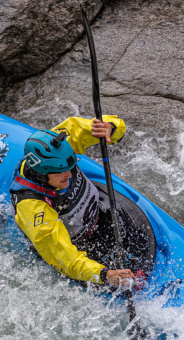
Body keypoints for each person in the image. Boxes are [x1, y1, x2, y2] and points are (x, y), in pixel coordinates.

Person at [9, 115, 148, 288]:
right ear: (42, 173)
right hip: (76, 244)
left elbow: (99, 125)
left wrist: (111, 128)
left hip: (99, 213)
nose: (68, 174)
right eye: (60, 172)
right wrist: (104, 275)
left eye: (69, 167)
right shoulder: (33, 208)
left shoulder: (58, 144)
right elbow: (65, 258)